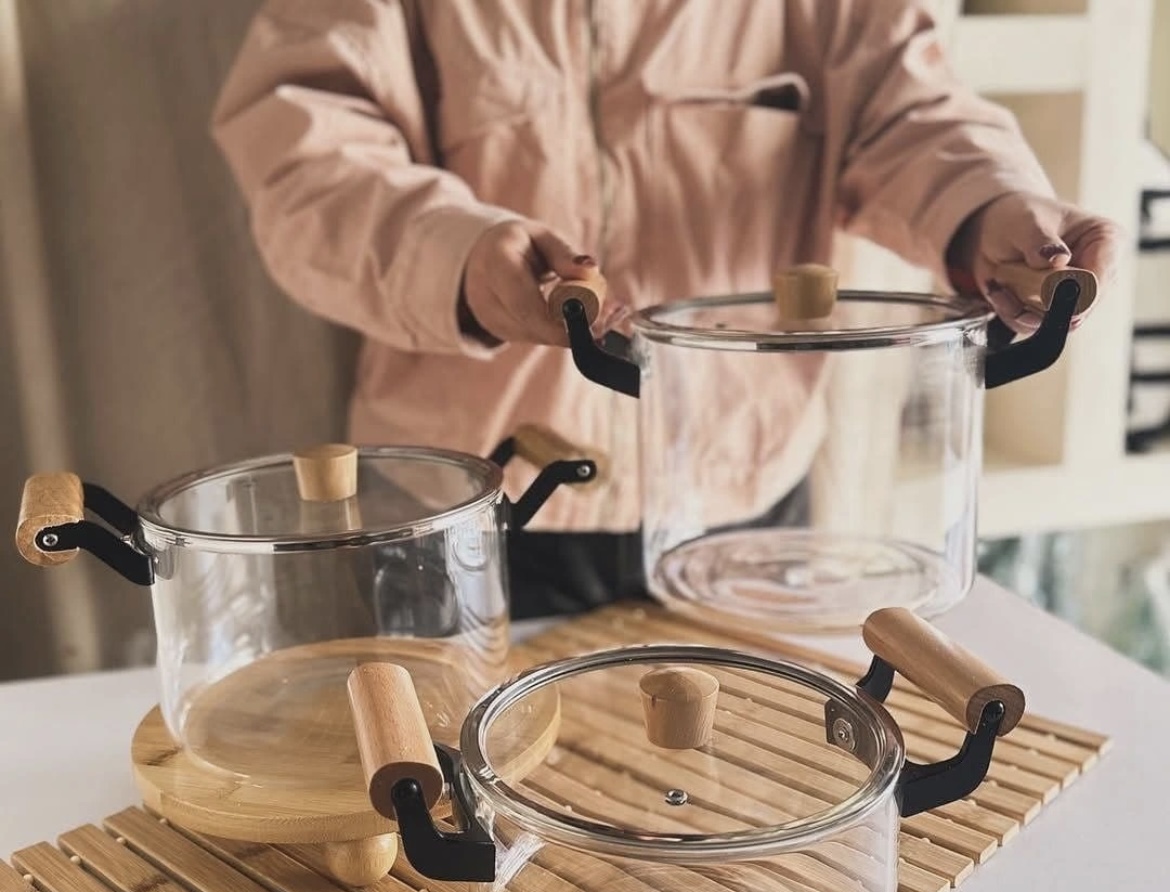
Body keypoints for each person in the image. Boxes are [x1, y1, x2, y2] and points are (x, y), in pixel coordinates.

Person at [210, 0, 1121, 618]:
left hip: (747, 492)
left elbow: (904, 104)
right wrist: (460, 260)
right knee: (454, 814)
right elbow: (306, 157)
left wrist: (993, 208)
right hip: (459, 504)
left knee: (751, 803)